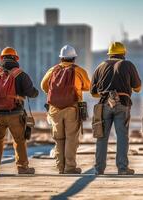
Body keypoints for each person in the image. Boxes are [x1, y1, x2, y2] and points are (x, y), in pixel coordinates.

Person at [0, 47, 38, 175]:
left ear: (1, 58)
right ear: (16, 59)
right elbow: (31, 92)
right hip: (15, 114)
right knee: (19, 140)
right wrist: (34, 93)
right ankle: (22, 167)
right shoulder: (20, 74)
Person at [90, 42, 141, 175]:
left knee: (102, 137)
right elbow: (138, 87)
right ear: (123, 53)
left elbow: (93, 92)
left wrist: (106, 93)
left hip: (104, 104)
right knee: (122, 136)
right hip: (122, 103)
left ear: (109, 53)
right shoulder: (128, 65)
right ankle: (122, 168)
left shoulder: (100, 66)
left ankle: (99, 169)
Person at [41, 45, 90, 174]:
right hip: (71, 107)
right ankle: (70, 167)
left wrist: (55, 92)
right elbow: (88, 86)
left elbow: (43, 86)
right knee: (71, 138)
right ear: (74, 58)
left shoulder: (53, 70)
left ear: (61, 58)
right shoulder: (79, 71)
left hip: (54, 108)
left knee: (59, 139)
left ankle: (60, 167)